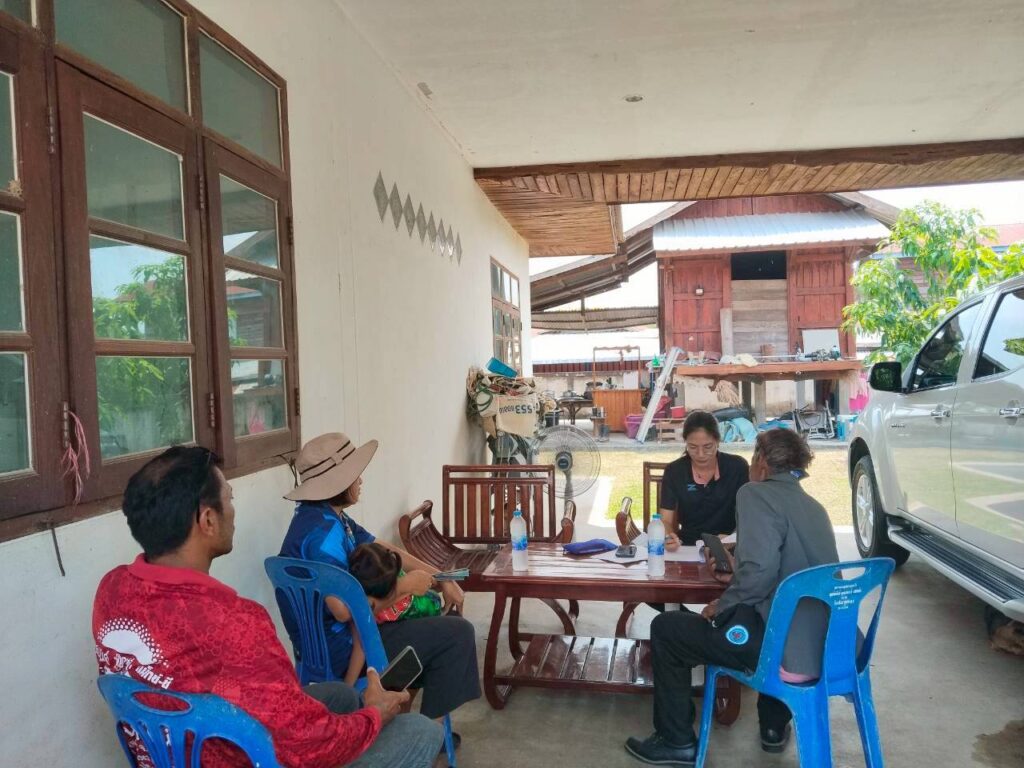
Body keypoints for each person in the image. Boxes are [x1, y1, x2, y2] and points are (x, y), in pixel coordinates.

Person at [92, 446, 442, 768]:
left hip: (175, 755)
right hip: (248, 758)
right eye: (229, 498)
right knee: (420, 731)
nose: (233, 510)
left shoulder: (112, 589)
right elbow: (311, 745)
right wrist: (375, 715)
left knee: (339, 696)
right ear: (208, 520)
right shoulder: (236, 622)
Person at [625, 429, 840, 767]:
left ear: (761, 462)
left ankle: (676, 741)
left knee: (668, 628)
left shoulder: (754, 492)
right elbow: (787, 570)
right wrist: (738, 573)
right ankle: (773, 727)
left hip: (781, 652)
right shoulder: (815, 508)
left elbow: (759, 571)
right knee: (771, 618)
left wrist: (722, 604)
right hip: (830, 649)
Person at [279, 432, 480, 747]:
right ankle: (425, 741)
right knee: (457, 634)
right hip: (343, 650)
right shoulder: (323, 538)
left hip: (330, 644)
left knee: (431, 627)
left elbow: (385, 548)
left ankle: (401, 727)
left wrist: (440, 576)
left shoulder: (321, 518)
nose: (360, 480)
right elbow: (342, 610)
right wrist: (403, 587)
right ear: (337, 483)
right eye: (354, 475)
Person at [659, 410, 749, 548]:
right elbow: (665, 519)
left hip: (728, 546)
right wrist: (668, 537)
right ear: (685, 442)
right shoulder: (675, 471)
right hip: (688, 546)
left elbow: (748, 515)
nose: (700, 454)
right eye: (693, 447)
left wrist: (733, 538)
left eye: (708, 447)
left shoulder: (737, 467)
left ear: (718, 441)